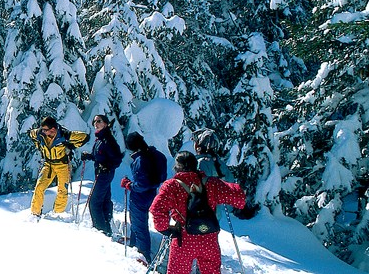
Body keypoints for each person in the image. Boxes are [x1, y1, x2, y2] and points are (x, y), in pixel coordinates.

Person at [150, 151, 246, 274]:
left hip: (184, 238)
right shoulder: (211, 183)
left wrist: (165, 229)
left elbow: (157, 208)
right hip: (208, 237)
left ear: (177, 167)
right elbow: (239, 197)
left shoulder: (172, 186)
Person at [28, 116, 89, 219]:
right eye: (42, 129)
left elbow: (85, 137)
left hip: (62, 165)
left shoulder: (63, 134)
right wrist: (39, 147)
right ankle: (35, 213)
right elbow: (30, 134)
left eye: (45, 130)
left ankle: (58, 214)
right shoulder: (40, 133)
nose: (43, 132)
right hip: (48, 164)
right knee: (39, 187)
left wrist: (71, 146)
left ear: (53, 129)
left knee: (62, 190)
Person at [120, 132, 167, 263]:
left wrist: (129, 185)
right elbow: (162, 177)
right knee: (138, 223)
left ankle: (143, 255)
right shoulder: (158, 155)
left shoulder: (140, 160)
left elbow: (142, 184)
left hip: (140, 196)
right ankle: (135, 246)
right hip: (154, 194)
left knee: (139, 224)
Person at [80, 114, 122, 236]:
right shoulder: (100, 138)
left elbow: (117, 158)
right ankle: (107, 227)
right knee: (104, 200)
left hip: (104, 174)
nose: (96, 124)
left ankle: (100, 230)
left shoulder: (108, 140)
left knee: (94, 202)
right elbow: (100, 155)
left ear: (105, 123)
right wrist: (90, 156)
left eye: (99, 121)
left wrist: (107, 167)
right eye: (94, 121)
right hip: (101, 173)